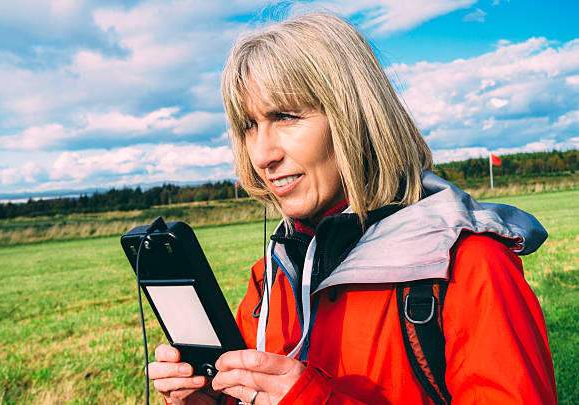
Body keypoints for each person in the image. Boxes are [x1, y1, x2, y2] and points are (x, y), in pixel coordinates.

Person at [146, 13, 557, 405]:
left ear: (354, 117)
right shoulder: (270, 278)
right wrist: (211, 399)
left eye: (285, 116)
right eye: (249, 125)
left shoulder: (467, 267)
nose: (261, 154)